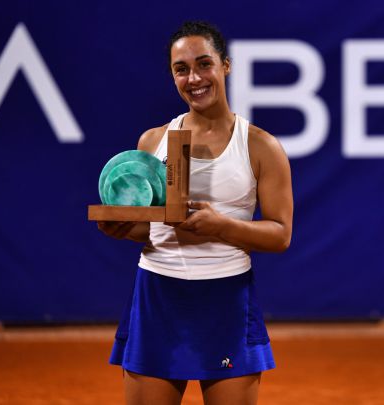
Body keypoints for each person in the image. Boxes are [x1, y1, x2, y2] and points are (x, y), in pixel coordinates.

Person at [97, 20, 293, 405]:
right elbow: (151, 230)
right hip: (157, 295)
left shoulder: (261, 146)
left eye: (204, 64)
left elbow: (280, 234)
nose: (194, 78)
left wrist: (220, 226)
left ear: (226, 65)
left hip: (227, 301)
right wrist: (119, 227)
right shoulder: (152, 141)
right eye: (181, 69)